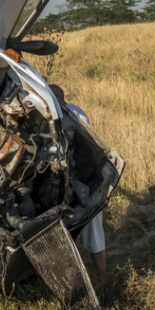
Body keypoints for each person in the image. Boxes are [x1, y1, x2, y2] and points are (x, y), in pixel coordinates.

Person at [49, 84, 107, 276]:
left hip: (87, 183)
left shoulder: (72, 114)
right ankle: (87, 276)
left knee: (90, 230)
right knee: (76, 229)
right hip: (80, 183)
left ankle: (99, 275)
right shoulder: (71, 114)